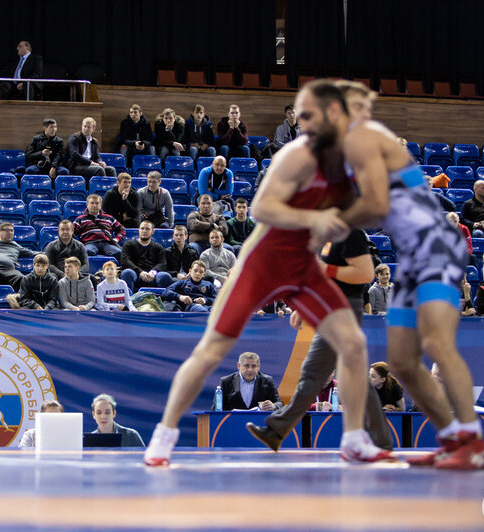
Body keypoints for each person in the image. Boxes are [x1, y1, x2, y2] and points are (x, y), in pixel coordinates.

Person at [144, 81, 392, 467]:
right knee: (212, 350)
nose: (306, 122)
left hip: (304, 268)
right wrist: (319, 217)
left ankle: (355, 438)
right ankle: (164, 436)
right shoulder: (297, 155)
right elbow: (262, 209)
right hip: (263, 263)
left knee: (354, 345)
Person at [308, 79, 484, 469]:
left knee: (437, 343)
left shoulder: (369, 137)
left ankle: (473, 442)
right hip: (411, 257)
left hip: (435, 245)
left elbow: (373, 205)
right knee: (403, 360)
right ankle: (451, 438)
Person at [214, 353, 283, 411]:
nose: (250, 370)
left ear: (258, 367)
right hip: (231, 422)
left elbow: (280, 403)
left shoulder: (267, 381)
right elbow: (216, 408)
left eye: (253, 366)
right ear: (239, 366)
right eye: (246, 366)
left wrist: (274, 406)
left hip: (258, 423)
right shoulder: (226, 382)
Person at [120, 220, 173, 291]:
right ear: (139, 230)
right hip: (135, 274)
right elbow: (125, 261)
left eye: (147, 229)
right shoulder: (128, 244)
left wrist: (153, 272)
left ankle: (163, 300)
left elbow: (162, 263)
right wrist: (140, 272)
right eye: (142, 228)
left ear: (152, 231)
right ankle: (129, 299)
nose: (144, 231)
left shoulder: (158, 247)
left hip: (152, 276)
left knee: (165, 276)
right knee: (127, 272)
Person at [73, 194, 125, 259]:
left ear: (100, 205)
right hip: (89, 243)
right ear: (87, 205)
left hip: (106, 243)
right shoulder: (79, 219)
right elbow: (72, 234)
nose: (94, 205)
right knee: (86, 252)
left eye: (97, 203)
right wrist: (78, 246)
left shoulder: (109, 218)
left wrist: (117, 239)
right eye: (92, 203)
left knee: (119, 253)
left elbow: (121, 229)